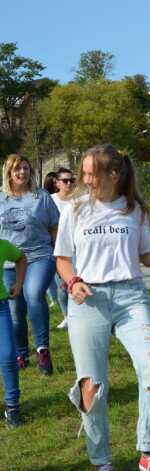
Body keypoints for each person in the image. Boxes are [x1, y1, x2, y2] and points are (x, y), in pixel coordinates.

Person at [55, 144, 150, 470]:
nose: (85, 179)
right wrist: (72, 282)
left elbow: (145, 254)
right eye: (84, 173)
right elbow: (63, 260)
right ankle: (101, 461)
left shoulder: (135, 209)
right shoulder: (75, 209)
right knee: (91, 386)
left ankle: (148, 452)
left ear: (114, 175)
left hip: (131, 297)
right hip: (89, 302)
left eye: (92, 173)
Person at [0, 155, 59, 374]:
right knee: (15, 308)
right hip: (9, 262)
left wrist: (60, 256)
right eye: (17, 169)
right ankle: (21, 353)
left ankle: (42, 349)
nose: (22, 173)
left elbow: (55, 227)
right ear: (9, 172)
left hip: (39, 255)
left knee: (34, 294)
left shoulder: (41, 196)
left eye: (25, 168)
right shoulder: (0, 198)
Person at [0, 241, 26, 428]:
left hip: (0, 307)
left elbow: (21, 258)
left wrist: (18, 283)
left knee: (8, 355)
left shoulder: (2, 245)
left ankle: (12, 405)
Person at [50, 167, 77, 330]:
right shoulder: (50, 200)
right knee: (63, 285)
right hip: (58, 249)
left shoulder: (79, 201)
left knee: (78, 282)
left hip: (78, 250)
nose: (69, 183)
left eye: (71, 180)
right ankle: (66, 316)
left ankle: (78, 315)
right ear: (57, 183)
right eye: (65, 181)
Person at [44, 172, 61, 309]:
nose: (58, 184)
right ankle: (53, 297)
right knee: (51, 272)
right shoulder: (46, 198)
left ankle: (61, 296)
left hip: (61, 238)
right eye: (55, 182)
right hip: (49, 239)